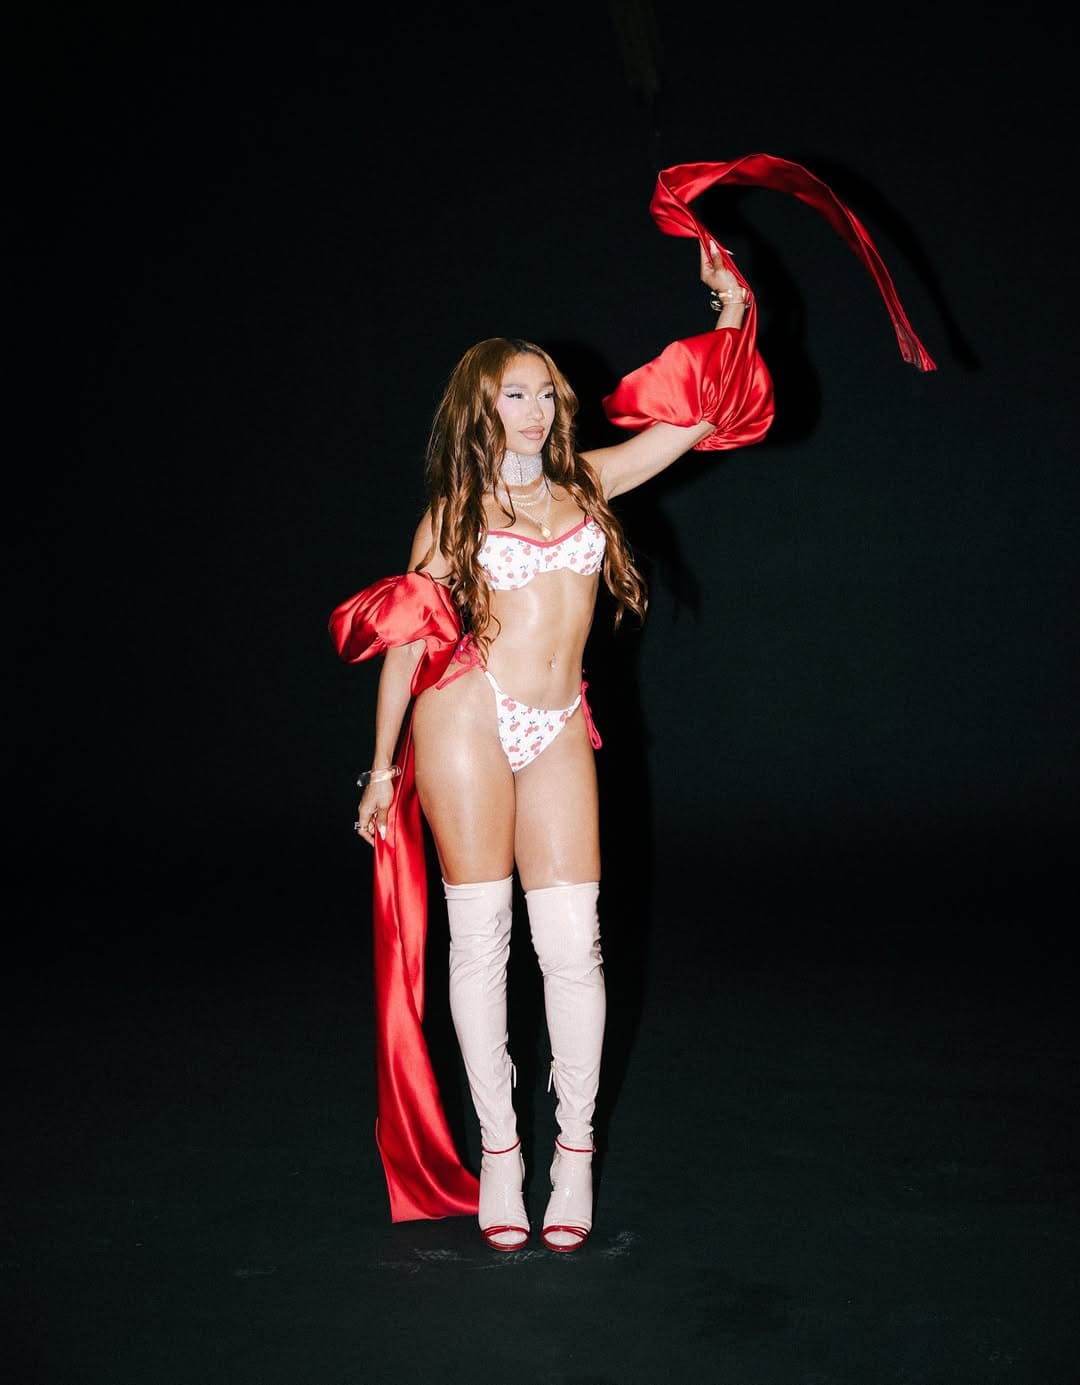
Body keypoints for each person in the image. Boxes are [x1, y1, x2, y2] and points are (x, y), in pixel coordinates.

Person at [329, 155, 934, 1254]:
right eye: (513, 392)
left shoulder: (588, 483)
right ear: (480, 407)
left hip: (558, 721)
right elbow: (407, 643)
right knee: (482, 940)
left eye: (543, 391)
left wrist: (734, 310)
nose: (533, 407)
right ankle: (500, 1149)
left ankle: (573, 1149)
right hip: (464, 718)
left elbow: (696, 425)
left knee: (575, 945)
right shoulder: (451, 515)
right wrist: (380, 770)